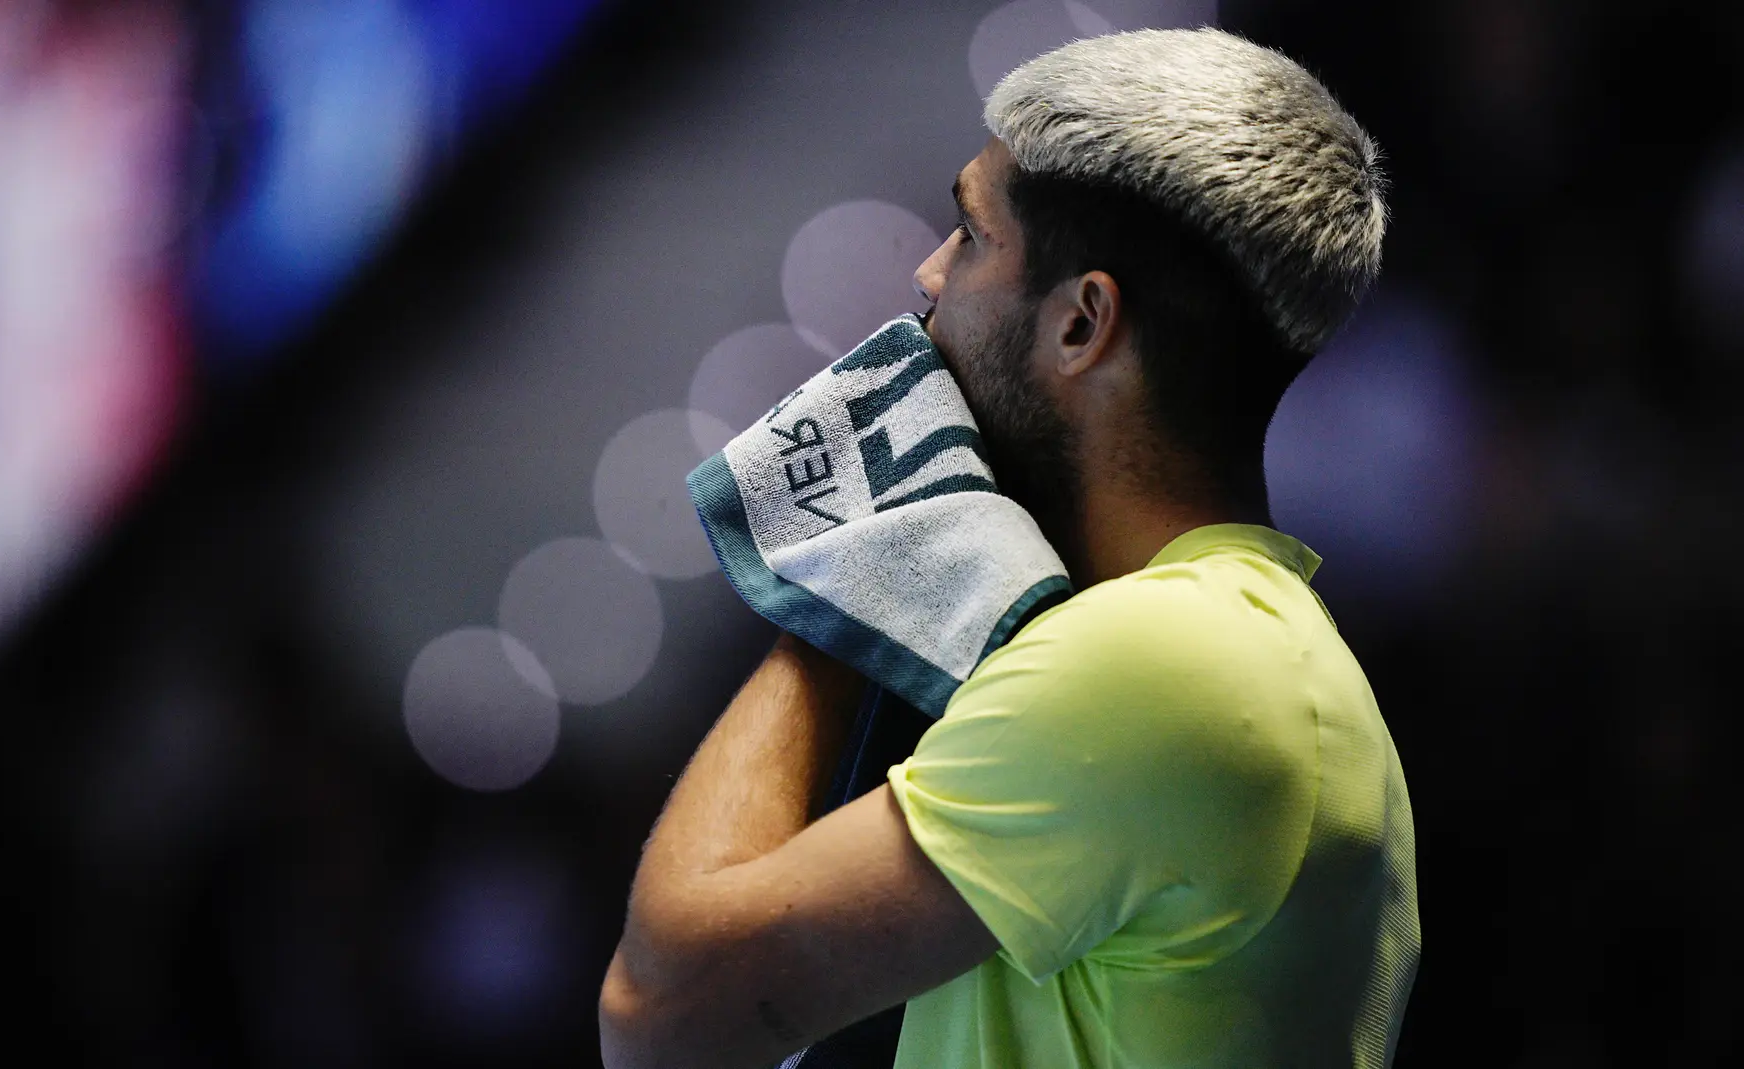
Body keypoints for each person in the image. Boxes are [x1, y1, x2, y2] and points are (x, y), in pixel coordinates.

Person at [599, 27, 1419, 1069]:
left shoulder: (1165, 665)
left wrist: (851, 564)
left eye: (972, 235)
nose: (929, 275)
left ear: (1081, 325)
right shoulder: (1247, 655)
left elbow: (662, 1011)